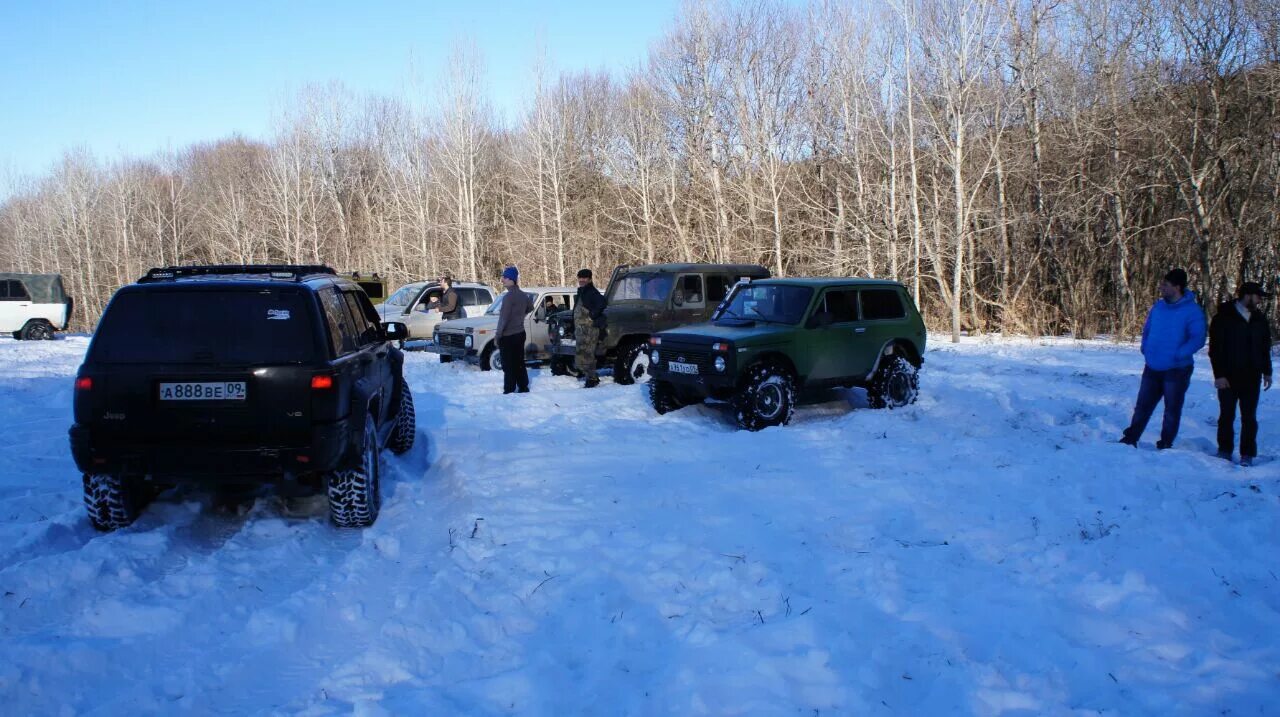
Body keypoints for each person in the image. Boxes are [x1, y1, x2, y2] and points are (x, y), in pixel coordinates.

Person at [1120, 268, 1208, 450]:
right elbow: (1148, 329)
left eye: (1165, 285)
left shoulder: (1192, 311)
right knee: (1142, 406)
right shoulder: (1158, 307)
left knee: (1171, 410)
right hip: (1152, 365)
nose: (1161, 287)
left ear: (1177, 287)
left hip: (1177, 369)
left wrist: (1179, 354)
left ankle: (1165, 442)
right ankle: (1131, 438)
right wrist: (1145, 347)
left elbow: (1197, 339)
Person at [1210, 281, 1273, 466]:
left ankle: (1247, 453)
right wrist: (1219, 375)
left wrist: (1267, 372)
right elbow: (1215, 349)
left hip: (1252, 376)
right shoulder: (1224, 317)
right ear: (1247, 296)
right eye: (1258, 296)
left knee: (1249, 417)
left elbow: (1264, 347)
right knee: (1227, 415)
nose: (1260, 300)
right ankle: (1224, 450)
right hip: (1228, 376)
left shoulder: (1260, 319)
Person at [496, 266, 531, 394]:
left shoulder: (508, 297)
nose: (502, 280)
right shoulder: (523, 295)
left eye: (505, 277)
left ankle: (509, 389)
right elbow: (530, 307)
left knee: (508, 364)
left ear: (512, 279)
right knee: (519, 362)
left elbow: (503, 319)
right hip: (520, 333)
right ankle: (523, 386)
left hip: (508, 335)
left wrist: (498, 335)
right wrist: (519, 316)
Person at [574, 268, 608, 388]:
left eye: (584, 278)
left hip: (589, 330)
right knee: (581, 353)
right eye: (580, 278)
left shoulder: (591, 292)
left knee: (588, 354)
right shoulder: (582, 291)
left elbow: (602, 303)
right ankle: (586, 373)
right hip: (581, 330)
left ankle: (592, 378)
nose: (581, 280)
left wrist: (592, 315)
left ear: (589, 279)